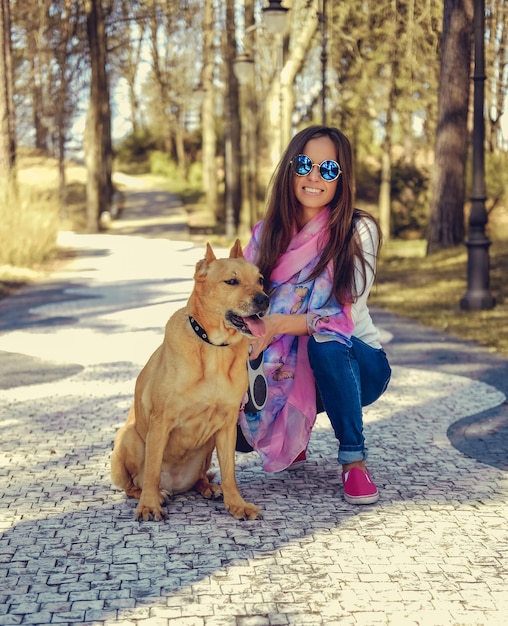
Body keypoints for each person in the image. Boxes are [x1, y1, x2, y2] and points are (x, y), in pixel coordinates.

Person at [237, 125, 391, 505]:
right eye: (305, 164)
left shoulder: (359, 231)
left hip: (357, 363)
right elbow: (239, 298)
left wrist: (273, 325)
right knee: (241, 434)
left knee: (326, 343)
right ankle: (293, 435)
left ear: (342, 179)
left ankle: (353, 460)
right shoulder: (267, 233)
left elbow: (341, 316)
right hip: (282, 363)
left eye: (328, 169)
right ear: (290, 168)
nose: (313, 177)